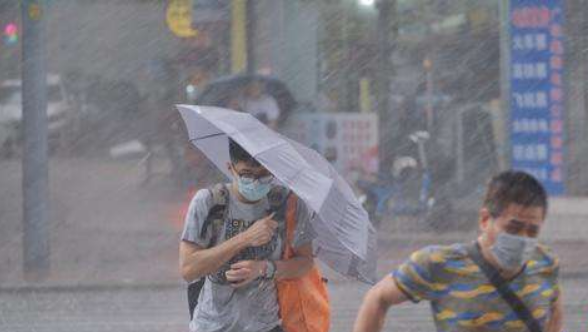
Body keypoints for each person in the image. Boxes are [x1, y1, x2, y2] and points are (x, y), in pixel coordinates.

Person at [353, 170, 564, 332]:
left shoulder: (545, 263)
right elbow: (378, 297)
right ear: (484, 219)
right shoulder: (439, 263)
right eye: (513, 228)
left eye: (532, 231)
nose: (523, 239)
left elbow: (553, 310)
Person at [179, 139, 316, 332]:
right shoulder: (209, 202)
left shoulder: (288, 204)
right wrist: (245, 238)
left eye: (264, 175)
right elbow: (188, 268)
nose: (256, 182)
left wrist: (264, 268)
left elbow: (305, 262)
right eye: (247, 175)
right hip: (212, 325)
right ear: (230, 168)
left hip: (266, 325)